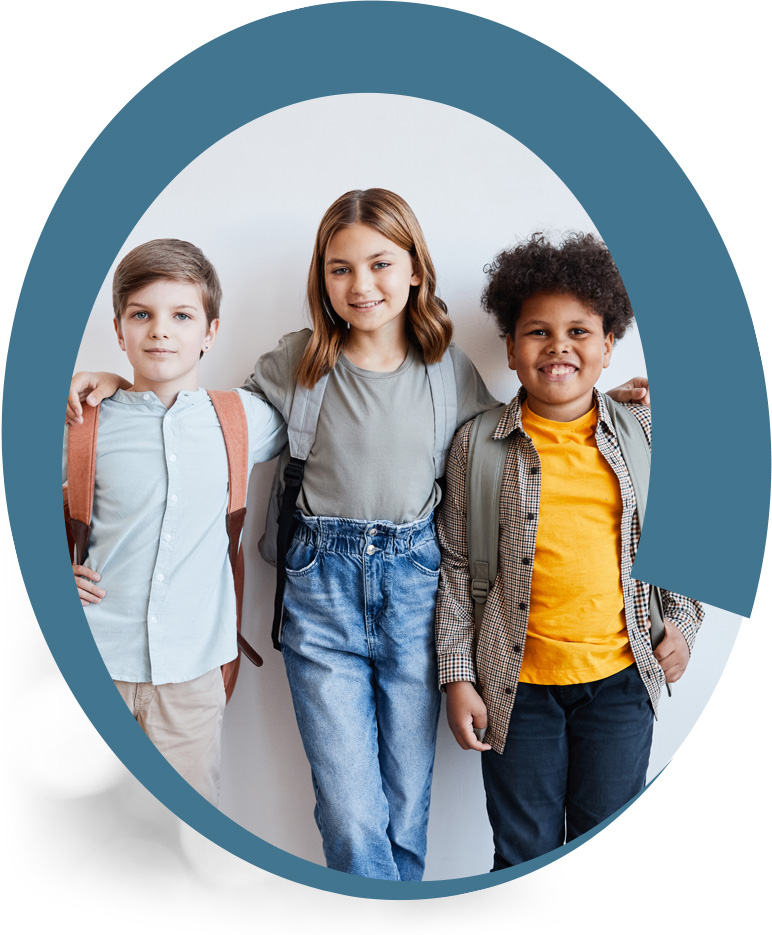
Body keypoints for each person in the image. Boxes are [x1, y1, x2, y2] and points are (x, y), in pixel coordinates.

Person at [65, 195, 649, 880]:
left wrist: (616, 404)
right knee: (349, 810)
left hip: (415, 594)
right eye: (341, 268)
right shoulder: (298, 363)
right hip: (322, 597)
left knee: (407, 804)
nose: (362, 284)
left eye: (380, 264)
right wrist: (120, 388)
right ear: (322, 278)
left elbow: (512, 438)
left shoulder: (448, 372)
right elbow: (200, 426)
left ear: (414, 272)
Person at [436, 232, 703, 869]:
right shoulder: (478, 444)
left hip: (621, 683)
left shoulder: (639, 430)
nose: (559, 347)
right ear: (510, 346)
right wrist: (456, 675)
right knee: (522, 854)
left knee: (604, 853)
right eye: (538, 332)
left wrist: (685, 626)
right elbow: (451, 562)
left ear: (608, 347)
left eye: (580, 332)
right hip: (514, 689)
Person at [66, 239, 286, 805]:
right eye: (142, 315)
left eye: (181, 316)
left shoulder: (242, 418)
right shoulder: (83, 422)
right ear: (119, 331)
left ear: (210, 332)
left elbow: (318, 380)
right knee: (93, 838)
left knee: (183, 839)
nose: (160, 331)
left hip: (192, 674)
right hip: (94, 660)